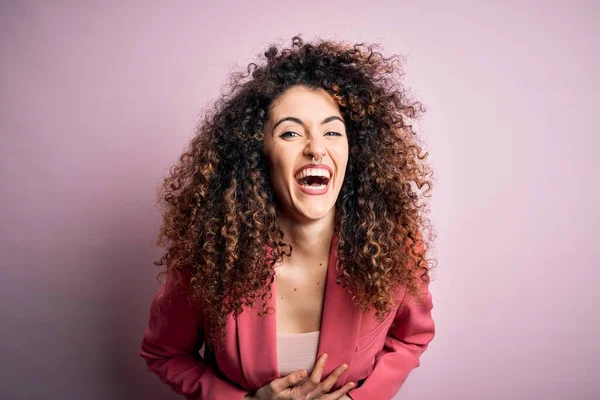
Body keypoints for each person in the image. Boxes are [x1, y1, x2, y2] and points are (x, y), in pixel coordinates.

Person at [139, 35, 437, 400]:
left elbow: (412, 336)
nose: (316, 148)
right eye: (291, 133)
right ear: (258, 151)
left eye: (332, 131)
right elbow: (165, 353)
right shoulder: (211, 254)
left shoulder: (393, 246)